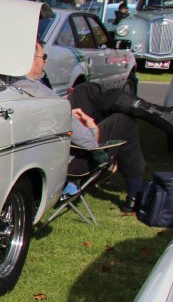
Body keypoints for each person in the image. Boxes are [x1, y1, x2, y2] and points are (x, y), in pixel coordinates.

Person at [17, 41, 146, 210]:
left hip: (40, 156)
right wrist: (91, 124)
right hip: (69, 163)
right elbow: (90, 142)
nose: (45, 62)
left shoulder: (15, 87)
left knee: (86, 90)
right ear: (32, 60)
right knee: (125, 122)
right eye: (44, 57)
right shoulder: (48, 101)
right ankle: (135, 195)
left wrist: (70, 111)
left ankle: (149, 111)